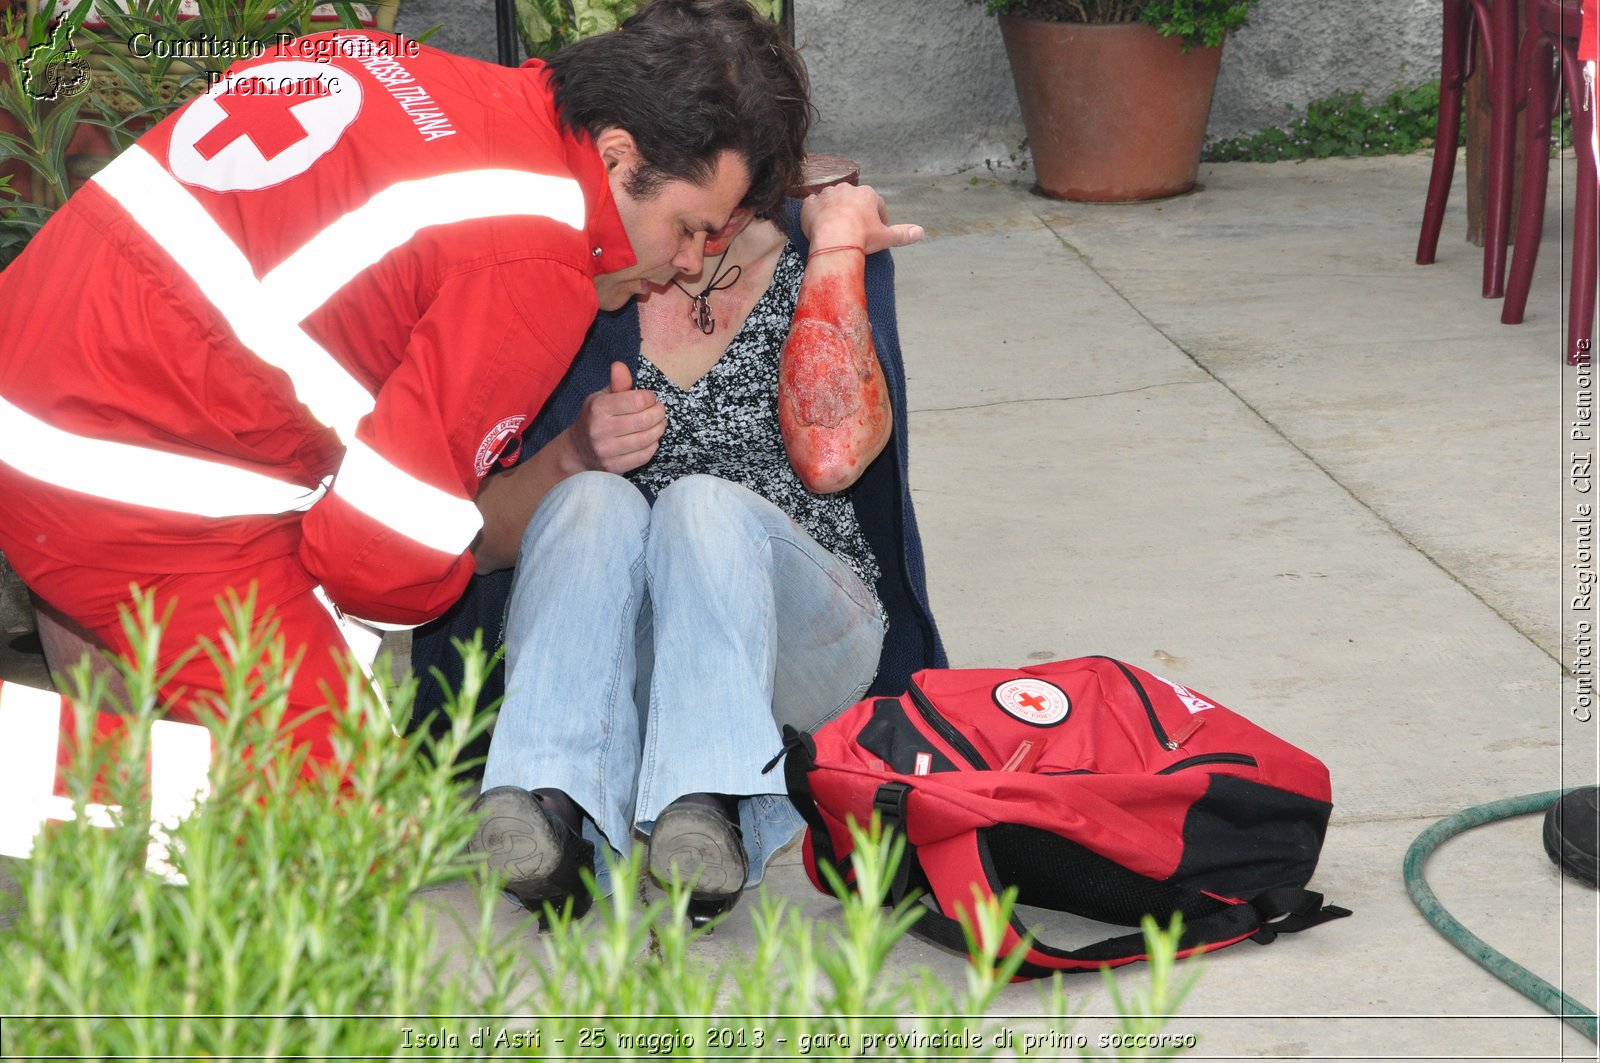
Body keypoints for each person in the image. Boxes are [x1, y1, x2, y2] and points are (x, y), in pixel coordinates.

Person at [0, 0, 809, 773]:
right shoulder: (534, 262)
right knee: (350, 820)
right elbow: (374, 563)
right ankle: (37, 790)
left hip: (38, 370)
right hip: (114, 472)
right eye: (690, 227)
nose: (692, 261)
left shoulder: (415, 70)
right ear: (617, 156)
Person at [416, 180, 947, 920]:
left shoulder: (823, 247)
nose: (695, 248)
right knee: (591, 500)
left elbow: (834, 459)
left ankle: (711, 801)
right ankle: (551, 814)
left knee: (697, 504)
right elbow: (469, 546)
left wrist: (834, 250)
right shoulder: (582, 277)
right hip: (628, 665)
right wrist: (574, 453)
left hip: (804, 643)